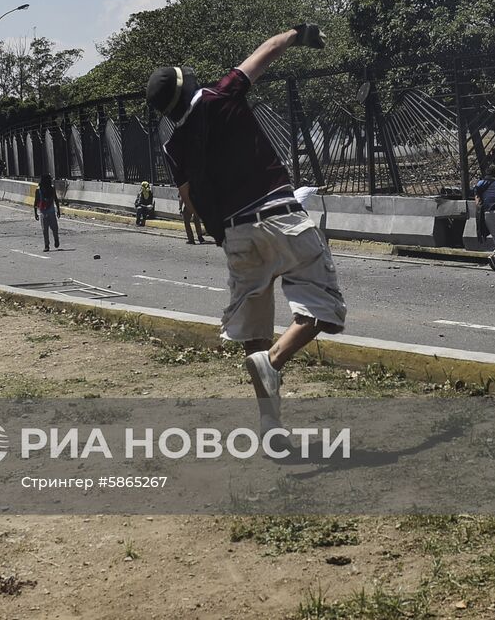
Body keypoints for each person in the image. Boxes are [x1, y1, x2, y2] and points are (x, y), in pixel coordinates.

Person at [146, 24, 346, 447]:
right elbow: (268, 50)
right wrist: (299, 34)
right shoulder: (221, 94)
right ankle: (276, 360)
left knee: (253, 334)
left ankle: (271, 428)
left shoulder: (173, 147)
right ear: (188, 85)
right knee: (321, 307)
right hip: (279, 214)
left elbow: (190, 201)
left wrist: (221, 235)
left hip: (236, 234)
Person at [34, 174, 61, 252]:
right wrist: (35, 212)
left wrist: (58, 210)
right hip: (45, 211)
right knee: (46, 229)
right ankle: (47, 245)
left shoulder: (51, 188)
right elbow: (36, 201)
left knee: (53, 228)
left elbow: (55, 199)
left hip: (49, 211)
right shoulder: (39, 190)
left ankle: (55, 239)